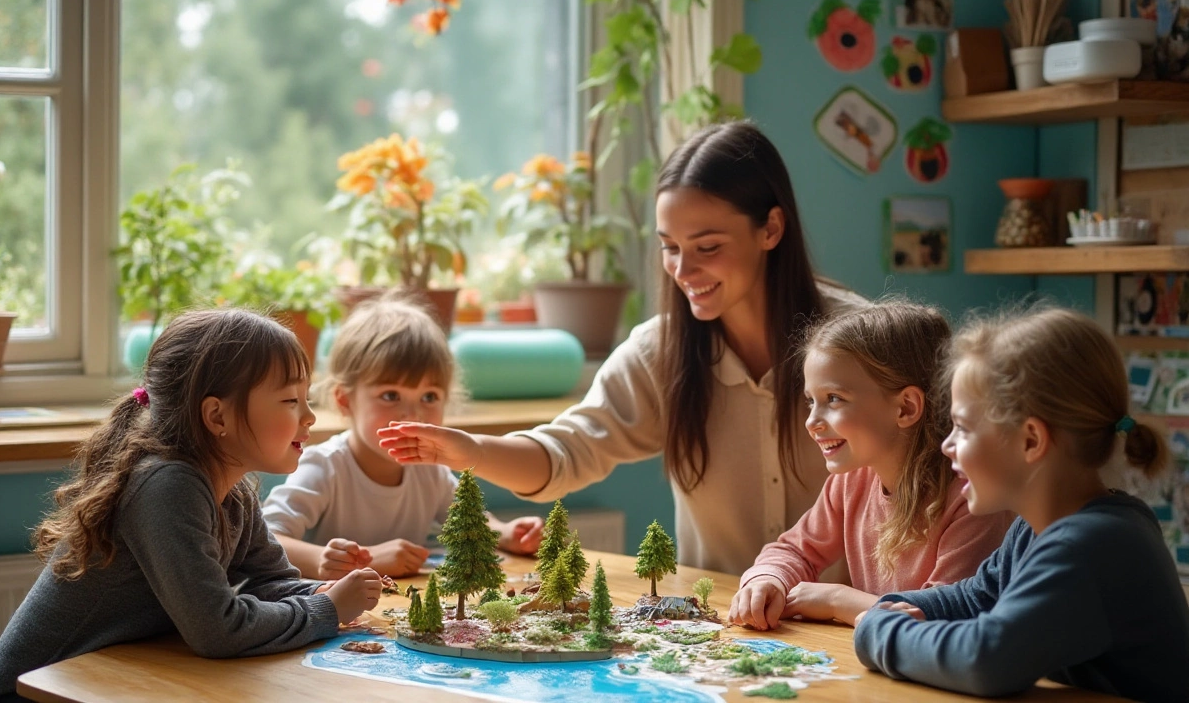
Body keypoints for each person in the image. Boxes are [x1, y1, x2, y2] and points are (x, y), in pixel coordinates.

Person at [377, 120, 864, 576]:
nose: (683, 270)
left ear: (771, 229)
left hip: (851, 625)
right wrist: (471, 452)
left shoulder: (862, 341)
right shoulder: (661, 351)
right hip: (723, 631)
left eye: (708, 247)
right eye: (670, 246)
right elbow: (568, 450)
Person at [0, 309, 382, 703]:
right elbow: (218, 630)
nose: (309, 416)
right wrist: (327, 607)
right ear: (217, 417)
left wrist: (326, 593)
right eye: (291, 400)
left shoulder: (234, 491)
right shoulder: (167, 485)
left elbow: (270, 583)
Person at [855, 307, 1189, 703]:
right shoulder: (1040, 529)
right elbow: (977, 598)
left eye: (962, 428)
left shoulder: (1092, 544)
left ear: (1031, 440)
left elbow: (986, 660)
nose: (947, 446)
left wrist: (879, 632)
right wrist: (896, 606)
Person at [729, 303, 1012, 630]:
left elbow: (946, 616)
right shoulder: (852, 481)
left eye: (834, 398)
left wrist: (838, 600)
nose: (811, 422)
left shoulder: (972, 497)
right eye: (811, 400)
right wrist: (768, 580)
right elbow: (796, 550)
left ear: (906, 407)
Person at [263, 292, 544, 580]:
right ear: (345, 401)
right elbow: (266, 541)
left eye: (429, 396)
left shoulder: (431, 472)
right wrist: (346, 560)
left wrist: (507, 534)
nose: (413, 415)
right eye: (390, 395)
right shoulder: (324, 467)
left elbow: (470, 521)